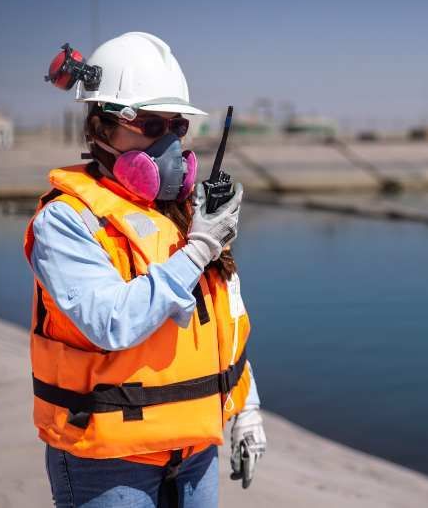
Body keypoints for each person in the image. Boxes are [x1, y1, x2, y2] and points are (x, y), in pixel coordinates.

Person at [24, 32, 266, 507]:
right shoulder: (68, 220)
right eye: (152, 124)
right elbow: (111, 322)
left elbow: (223, 322)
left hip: (194, 450)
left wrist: (246, 410)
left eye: (177, 127)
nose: (170, 143)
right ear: (100, 128)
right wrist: (198, 251)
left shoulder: (183, 216)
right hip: (110, 461)